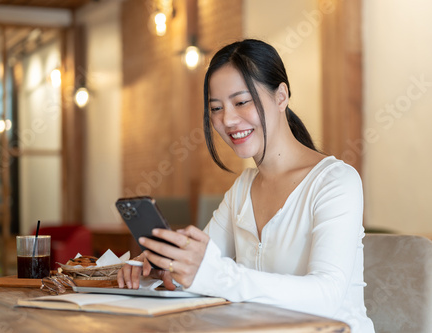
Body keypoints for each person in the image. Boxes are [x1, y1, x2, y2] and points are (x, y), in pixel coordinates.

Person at [117, 39, 375, 333]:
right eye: (216, 108)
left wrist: (214, 274)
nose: (227, 119)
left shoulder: (336, 181)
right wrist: (165, 264)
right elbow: (202, 273)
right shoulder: (242, 188)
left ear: (281, 97)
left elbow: (326, 296)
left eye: (241, 102)